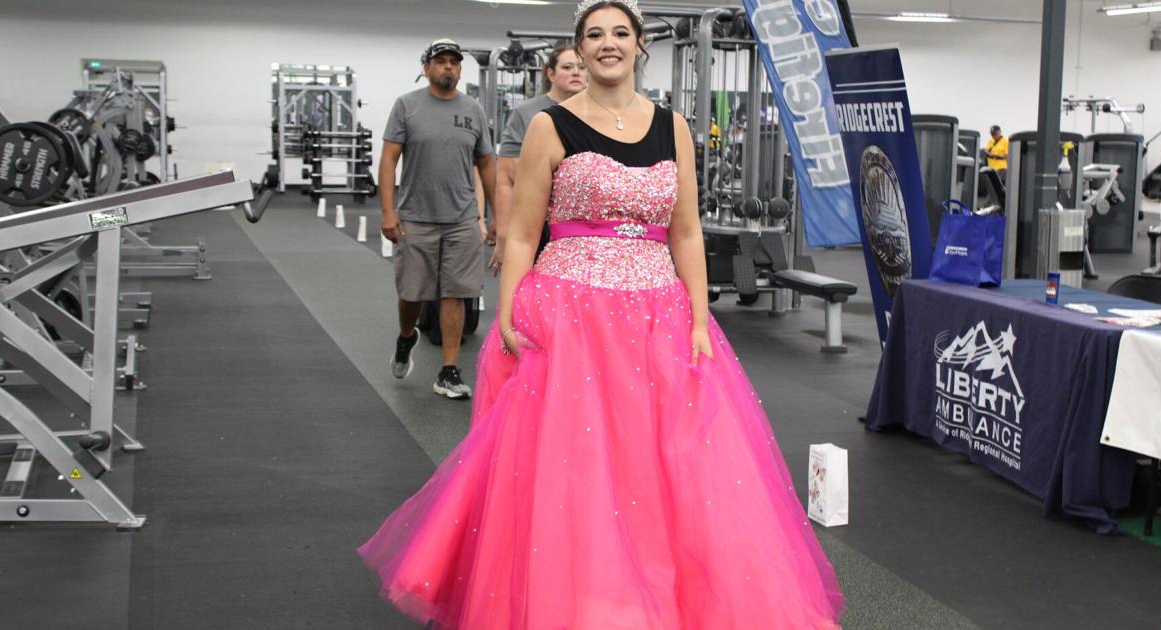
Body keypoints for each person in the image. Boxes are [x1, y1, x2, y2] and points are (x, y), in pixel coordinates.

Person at [358, 3, 844, 628]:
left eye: (620, 33)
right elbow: (524, 232)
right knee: (577, 466)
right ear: (578, 51)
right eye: (594, 35)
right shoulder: (549, 127)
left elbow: (687, 231)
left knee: (665, 463)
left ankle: (660, 602)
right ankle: (582, 603)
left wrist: (699, 318)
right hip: (570, 315)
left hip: (658, 316)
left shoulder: (673, 127)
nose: (607, 44)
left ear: (640, 46)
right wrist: (506, 313)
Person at [380, 38, 497, 400]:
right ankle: (406, 336)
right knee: (411, 295)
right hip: (416, 217)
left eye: (454, 62)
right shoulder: (407, 106)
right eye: (441, 61)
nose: (449, 67)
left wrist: (495, 216)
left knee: (457, 293)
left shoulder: (473, 110)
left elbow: (488, 164)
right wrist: (388, 210)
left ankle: (448, 370)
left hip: (462, 217)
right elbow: (388, 161)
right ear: (426, 68)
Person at [491, 41, 588, 271]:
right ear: (551, 73)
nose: (576, 72)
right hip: (536, 223)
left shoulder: (599, 114)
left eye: (582, 67)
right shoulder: (526, 113)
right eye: (567, 67)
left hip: (582, 227)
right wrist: (504, 236)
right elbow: (506, 179)